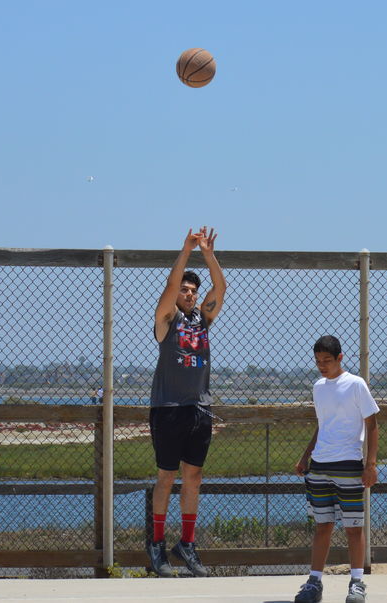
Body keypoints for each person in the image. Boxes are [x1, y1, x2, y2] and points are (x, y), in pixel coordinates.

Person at [146, 227, 226, 578]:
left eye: (193, 291)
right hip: (168, 410)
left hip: (199, 409)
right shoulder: (167, 320)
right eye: (186, 289)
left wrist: (207, 254)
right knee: (166, 477)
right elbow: (169, 286)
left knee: (193, 476)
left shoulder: (202, 321)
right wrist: (185, 250)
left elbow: (220, 289)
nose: (190, 294)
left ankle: (187, 544)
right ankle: (157, 544)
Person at [292, 335, 380, 603]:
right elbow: (323, 425)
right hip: (320, 466)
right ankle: (314, 582)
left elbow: (372, 423)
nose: (322, 365)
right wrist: (305, 456)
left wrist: (370, 464)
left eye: (327, 361)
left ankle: (356, 582)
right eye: (318, 361)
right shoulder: (318, 387)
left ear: (340, 358)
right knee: (322, 526)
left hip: (349, 466)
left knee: (353, 528)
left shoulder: (356, 384)